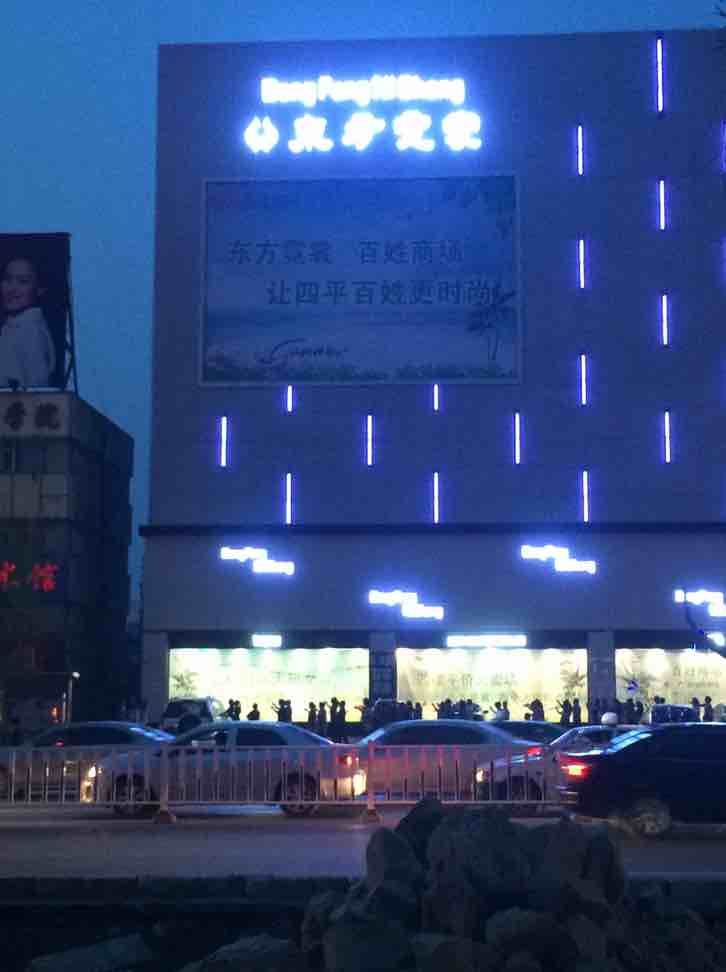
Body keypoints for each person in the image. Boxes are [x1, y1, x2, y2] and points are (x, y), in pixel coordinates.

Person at [0, 256, 56, 388]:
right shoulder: (12, 327)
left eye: (23, 282)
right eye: (7, 279)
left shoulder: (31, 328)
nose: (12, 289)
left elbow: (38, 388)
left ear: (39, 289)